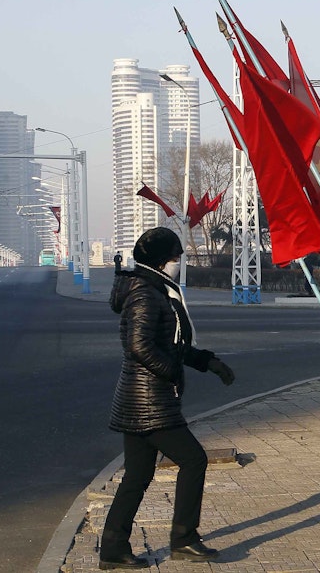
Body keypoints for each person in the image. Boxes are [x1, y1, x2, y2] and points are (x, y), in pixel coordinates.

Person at [99, 227, 235, 569]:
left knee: (137, 476)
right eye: (176, 258)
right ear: (162, 260)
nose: (178, 263)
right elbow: (139, 346)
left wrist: (206, 362)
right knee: (193, 460)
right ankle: (184, 540)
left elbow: (171, 344)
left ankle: (113, 549)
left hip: (141, 397)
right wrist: (172, 372)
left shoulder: (155, 288)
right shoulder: (147, 293)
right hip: (151, 400)